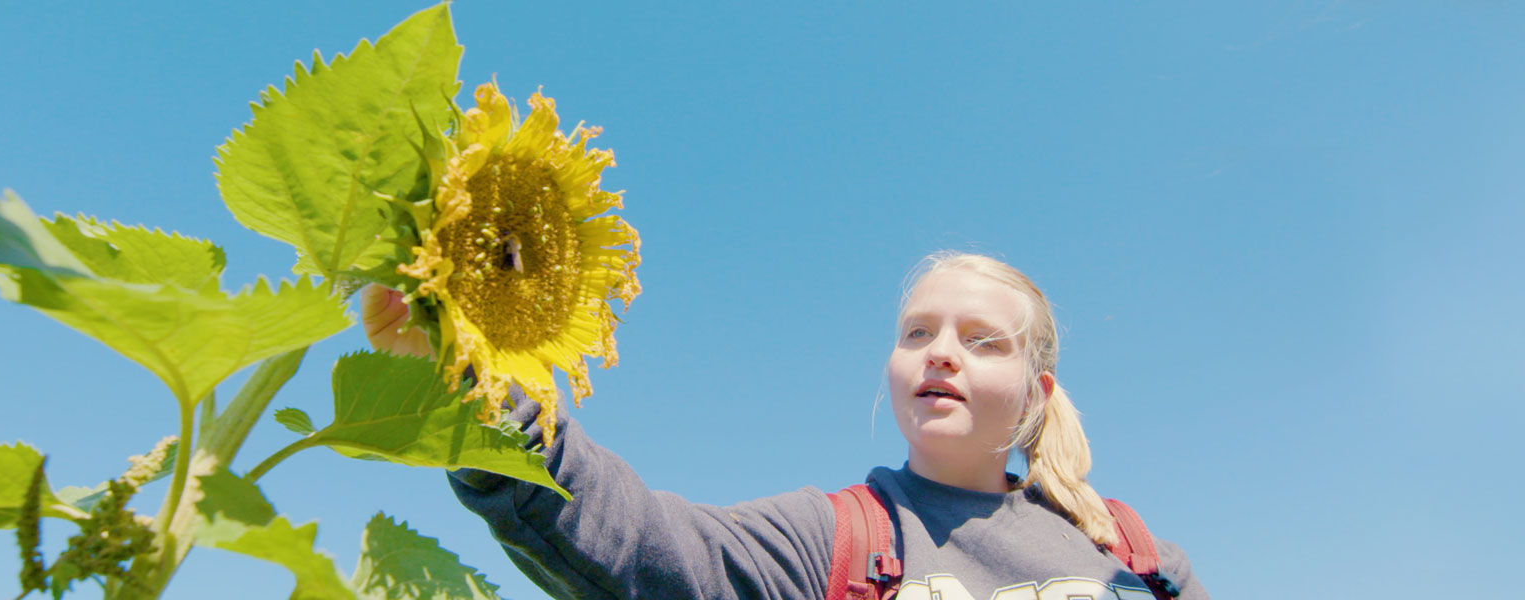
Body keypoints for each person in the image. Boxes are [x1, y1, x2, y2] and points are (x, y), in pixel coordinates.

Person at [363, 251, 1208, 600]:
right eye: (918, 333)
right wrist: (477, 383)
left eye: (982, 342)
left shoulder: (1133, 556)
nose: (940, 354)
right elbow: (643, 546)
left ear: (1035, 390)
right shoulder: (836, 539)